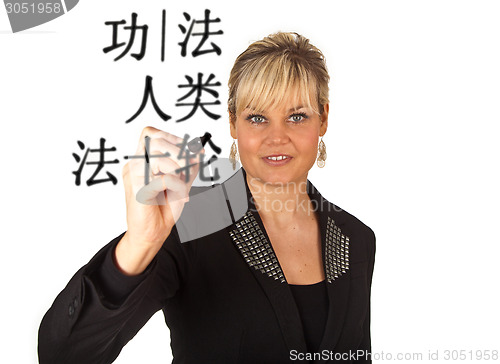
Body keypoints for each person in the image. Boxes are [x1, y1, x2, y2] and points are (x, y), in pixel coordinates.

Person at [38, 32, 375, 364]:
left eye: (297, 116)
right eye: (257, 117)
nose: (277, 137)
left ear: (324, 119)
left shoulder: (357, 238)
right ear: (232, 122)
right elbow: (64, 356)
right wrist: (140, 242)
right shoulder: (191, 221)